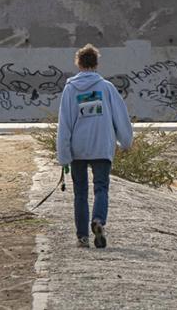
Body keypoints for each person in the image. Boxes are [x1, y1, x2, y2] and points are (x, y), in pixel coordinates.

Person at [56, 44, 133, 248]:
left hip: (78, 149)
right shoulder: (106, 88)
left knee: (80, 192)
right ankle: (98, 221)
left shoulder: (70, 89)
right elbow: (121, 117)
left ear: (78, 63)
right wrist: (126, 141)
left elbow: (65, 124)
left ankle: (82, 236)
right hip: (102, 146)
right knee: (101, 188)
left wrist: (63, 156)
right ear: (96, 63)